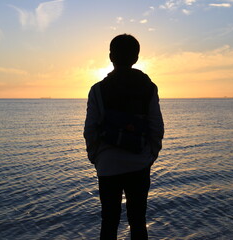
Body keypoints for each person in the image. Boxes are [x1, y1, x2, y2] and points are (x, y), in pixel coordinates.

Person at [84, 34, 164, 240]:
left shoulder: (97, 90)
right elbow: (156, 126)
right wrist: (151, 154)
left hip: (108, 165)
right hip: (139, 163)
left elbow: (90, 130)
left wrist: (97, 157)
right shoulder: (148, 87)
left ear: (111, 56)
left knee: (109, 222)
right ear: (136, 57)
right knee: (138, 221)